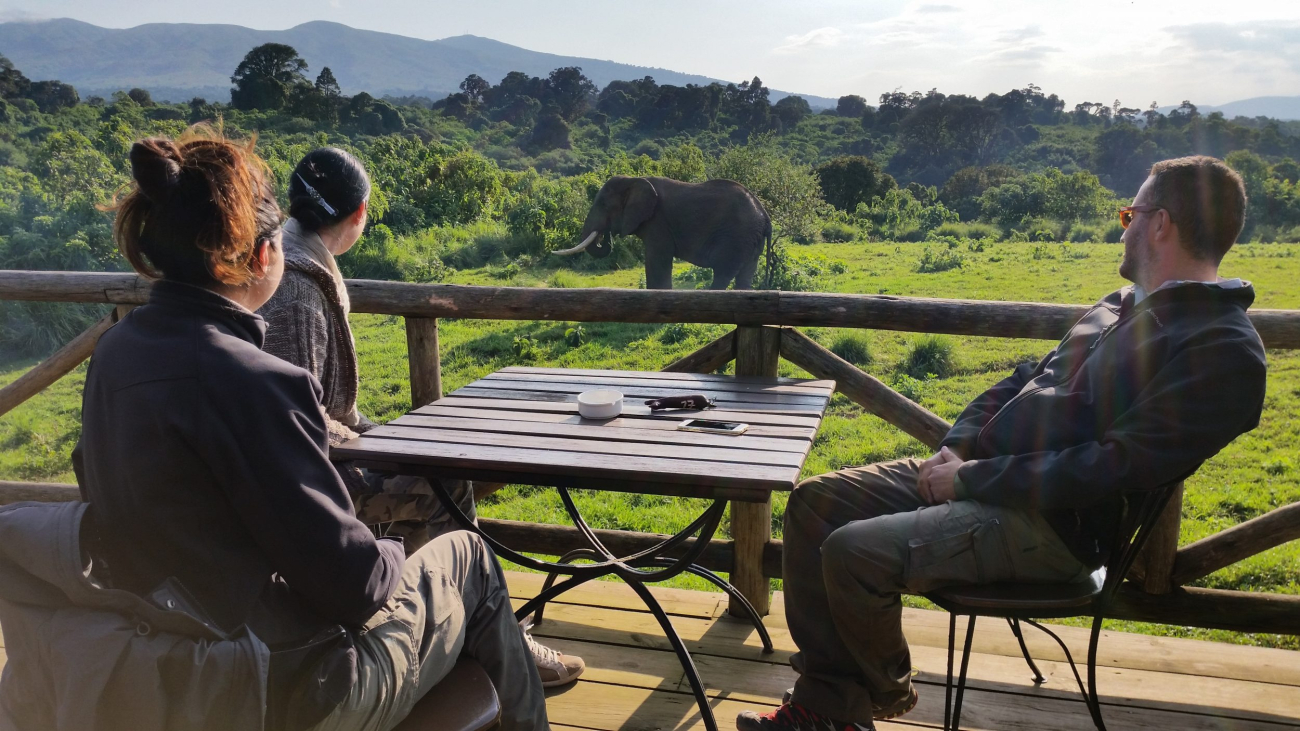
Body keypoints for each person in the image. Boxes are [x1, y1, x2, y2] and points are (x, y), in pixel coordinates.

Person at [736, 155, 1268, 731]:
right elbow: (1022, 380)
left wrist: (968, 480)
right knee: (815, 505)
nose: (1125, 225)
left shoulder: (1221, 349)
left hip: (1055, 529)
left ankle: (874, 695)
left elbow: (1115, 466)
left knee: (854, 551)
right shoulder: (1119, 305)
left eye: (1128, 213)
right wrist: (960, 447)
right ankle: (832, 708)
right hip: (987, 477)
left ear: (1160, 223)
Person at [72, 128, 549, 731]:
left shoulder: (115, 353)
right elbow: (354, 584)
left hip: (162, 659)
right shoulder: (254, 380)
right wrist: (395, 549)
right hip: (280, 685)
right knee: (469, 559)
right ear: (262, 255)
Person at [257, 147, 584, 689]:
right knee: (446, 482)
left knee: (437, 471)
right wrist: (380, 450)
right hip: (317, 485)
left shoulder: (292, 255)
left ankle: (433, 625)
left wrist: (381, 439)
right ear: (360, 214)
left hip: (329, 459)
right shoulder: (294, 287)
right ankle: (492, 641)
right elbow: (297, 417)